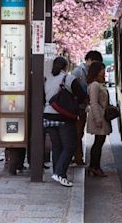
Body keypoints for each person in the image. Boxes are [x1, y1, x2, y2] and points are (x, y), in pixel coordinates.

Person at [43, 57, 84, 187]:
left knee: (57, 146)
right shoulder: (68, 79)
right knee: (70, 146)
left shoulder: (47, 78)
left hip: (48, 115)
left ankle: (57, 172)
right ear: (65, 67)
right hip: (63, 116)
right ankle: (60, 173)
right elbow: (81, 94)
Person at [71, 50, 103, 165]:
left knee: (79, 133)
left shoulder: (88, 71)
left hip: (83, 106)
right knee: (77, 133)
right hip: (77, 107)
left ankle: (78, 157)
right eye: (94, 62)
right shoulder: (78, 71)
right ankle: (77, 157)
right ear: (88, 60)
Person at [86, 61, 111, 177]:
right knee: (98, 142)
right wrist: (97, 119)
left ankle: (94, 166)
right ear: (97, 71)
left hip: (102, 115)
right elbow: (93, 103)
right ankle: (95, 166)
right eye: (102, 70)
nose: (103, 72)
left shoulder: (98, 84)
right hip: (99, 115)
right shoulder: (95, 85)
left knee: (99, 142)